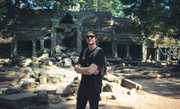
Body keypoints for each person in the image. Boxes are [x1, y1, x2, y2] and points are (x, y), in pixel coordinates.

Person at [73, 31, 106, 109]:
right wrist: (87, 70)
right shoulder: (84, 51)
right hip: (83, 84)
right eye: (87, 37)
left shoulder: (99, 52)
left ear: (95, 39)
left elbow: (89, 70)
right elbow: (77, 66)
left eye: (92, 36)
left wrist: (81, 69)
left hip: (94, 85)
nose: (89, 38)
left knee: (93, 107)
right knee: (79, 106)